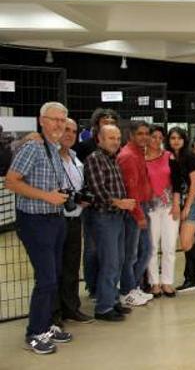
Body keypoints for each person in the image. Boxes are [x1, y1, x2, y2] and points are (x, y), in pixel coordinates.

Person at [5, 102, 76, 353]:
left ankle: (46, 325)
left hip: (55, 220)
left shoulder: (53, 148)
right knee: (46, 278)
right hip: (35, 221)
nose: (59, 124)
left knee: (52, 276)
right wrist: (47, 196)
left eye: (62, 120)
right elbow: (11, 182)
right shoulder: (33, 147)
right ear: (41, 120)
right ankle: (34, 332)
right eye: (54, 119)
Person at [85, 124, 137, 322]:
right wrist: (120, 202)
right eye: (111, 138)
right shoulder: (95, 159)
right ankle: (104, 307)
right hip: (104, 217)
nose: (115, 141)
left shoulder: (112, 159)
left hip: (117, 216)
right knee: (109, 262)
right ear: (99, 139)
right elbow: (98, 191)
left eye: (117, 138)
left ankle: (113, 300)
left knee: (118, 261)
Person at [75, 108, 119, 298]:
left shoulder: (116, 148)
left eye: (112, 120)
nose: (108, 122)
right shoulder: (86, 147)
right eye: (104, 120)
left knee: (110, 254)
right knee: (92, 250)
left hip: (112, 209)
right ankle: (93, 287)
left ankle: (106, 289)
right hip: (93, 207)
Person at [54, 118, 93, 324]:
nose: (69, 134)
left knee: (71, 266)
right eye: (65, 130)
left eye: (73, 131)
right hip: (54, 219)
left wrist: (83, 199)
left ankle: (71, 308)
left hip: (75, 218)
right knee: (54, 269)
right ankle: (54, 313)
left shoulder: (76, 159)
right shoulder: (49, 157)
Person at [116, 121, 154, 307]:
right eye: (140, 133)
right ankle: (126, 291)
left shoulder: (138, 153)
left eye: (147, 133)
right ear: (131, 135)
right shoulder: (129, 156)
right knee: (132, 254)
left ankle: (132, 287)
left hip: (142, 206)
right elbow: (131, 189)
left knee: (144, 251)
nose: (144, 137)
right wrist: (139, 215)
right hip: (135, 210)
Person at [168, 127, 195, 292]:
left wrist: (187, 206)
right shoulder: (169, 157)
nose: (176, 141)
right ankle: (191, 277)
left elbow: (194, 184)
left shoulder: (190, 157)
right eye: (172, 138)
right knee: (189, 242)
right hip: (176, 202)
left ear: (185, 140)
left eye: (179, 138)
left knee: (185, 242)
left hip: (192, 202)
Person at [145, 125, 179, 298]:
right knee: (151, 246)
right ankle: (154, 282)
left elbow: (177, 181)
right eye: (154, 136)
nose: (157, 140)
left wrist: (177, 204)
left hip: (169, 207)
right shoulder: (141, 158)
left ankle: (167, 281)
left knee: (170, 245)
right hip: (150, 208)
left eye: (160, 137)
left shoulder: (169, 156)